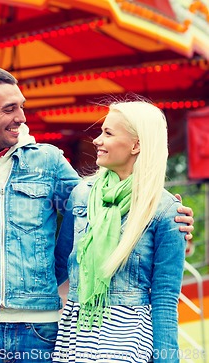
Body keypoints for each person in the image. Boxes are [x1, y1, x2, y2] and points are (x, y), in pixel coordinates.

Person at [0, 66, 194, 363]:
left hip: (40, 329)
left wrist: (173, 223)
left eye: (22, 107)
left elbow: (98, 213)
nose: (22, 117)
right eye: (10, 108)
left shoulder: (49, 162)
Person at [52, 100, 186, 363]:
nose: (97, 141)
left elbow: (165, 299)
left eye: (108, 133)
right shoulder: (81, 195)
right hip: (76, 335)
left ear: (136, 145)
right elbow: (57, 267)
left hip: (129, 340)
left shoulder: (166, 210)